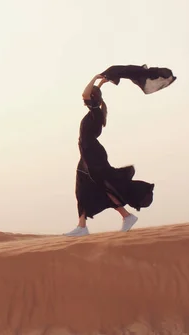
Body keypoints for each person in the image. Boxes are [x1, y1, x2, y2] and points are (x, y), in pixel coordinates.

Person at [64, 74, 155, 237]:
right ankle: (82, 226)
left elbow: (85, 94)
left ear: (92, 99)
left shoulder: (96, 113)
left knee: (105, 186)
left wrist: (94, 78)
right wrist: (102, 82)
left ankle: (127, 216)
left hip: (93, 154)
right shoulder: (96, 110)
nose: (84, 100)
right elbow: (92, 95)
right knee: (81, 188)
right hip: (86, 154)